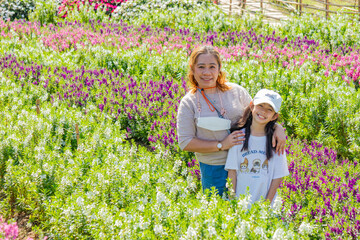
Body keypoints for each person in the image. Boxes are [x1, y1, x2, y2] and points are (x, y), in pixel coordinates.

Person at [176, 45, 286, 196]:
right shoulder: (189, 102)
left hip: (246, 164)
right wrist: (222, 145)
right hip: (214, 168)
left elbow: (258, 114)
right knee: (217, 212)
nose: (207, 72)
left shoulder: (236, 92)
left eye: (212, 67)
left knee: (250, 211)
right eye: (201, 67)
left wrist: (277, 127)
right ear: (192, 69)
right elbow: (185, 142)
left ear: (219, 68)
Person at [225, 89, 289, 205]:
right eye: (260, 106)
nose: (263, 111)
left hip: (265, 207)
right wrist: (232, 201)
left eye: (269, 109)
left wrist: (266, 206)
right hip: (240, 205)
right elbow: (232, 172)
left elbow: (277, 178)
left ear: (274, 116)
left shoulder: (276, 142)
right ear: (251, 106)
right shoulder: (238, 137)